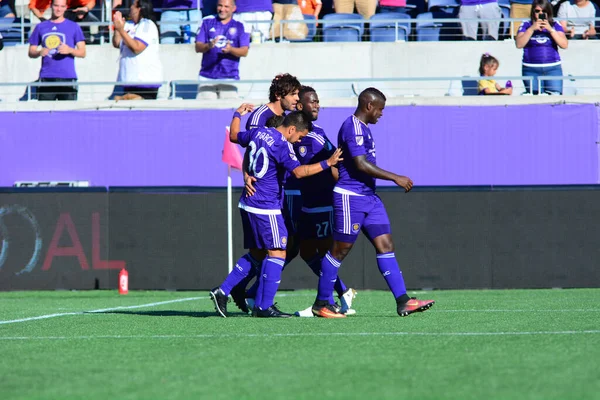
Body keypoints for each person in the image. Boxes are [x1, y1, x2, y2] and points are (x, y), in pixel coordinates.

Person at [312, 88, 435, 319]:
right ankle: (322, 303)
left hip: (370, 198)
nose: (381, 114)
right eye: (380, 109)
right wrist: (395, 177)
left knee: (386, 245)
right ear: (369, 106)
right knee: (340, 250)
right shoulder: (352, 126)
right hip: (351, 197)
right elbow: (359, 163)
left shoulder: (365, 128)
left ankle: (403, 301)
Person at [209, 107, 343, 318]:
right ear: (291, 129)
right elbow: (299, 172)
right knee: (279, 251)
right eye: (300, 136)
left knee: (257, 253)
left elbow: (234, 136)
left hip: (247, 201)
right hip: (266, 206)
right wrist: (328, 163)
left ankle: (223, 292)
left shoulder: (258, 131)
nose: (299, 141)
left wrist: (237, 114)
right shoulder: (283, 145)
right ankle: (264, 306)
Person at [293, 86, 357, 317]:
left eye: (318, 101)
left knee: (325, 251)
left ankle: (326, 302)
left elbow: (333, 161)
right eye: (312, 101)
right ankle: (342, 291)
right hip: (307, 202)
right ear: (300, 106)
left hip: (323, 201)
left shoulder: (317, 132)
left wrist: (338, 176)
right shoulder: (299, 134)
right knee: (307, 252)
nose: (317, 105)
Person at [28, 0, 86, 101]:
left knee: (68, 114)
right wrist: (39, 52)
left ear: (66, 7)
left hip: (68, 78)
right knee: (45, 114)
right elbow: (31, 51)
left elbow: (82, 52)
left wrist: (70, 50)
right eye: (56, 6)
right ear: (51, 5)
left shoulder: (74, 26)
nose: (58, 9)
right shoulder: (41, 27)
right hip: (47, 77)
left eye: (62, 6)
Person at [195, 0, 249, 100]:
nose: (222, 9)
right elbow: (198, 47)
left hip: (229, 77)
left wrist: (231, 50)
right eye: (220, 6)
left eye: (226, 7)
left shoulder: (240, 25)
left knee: (229, 111)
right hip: (207, 77)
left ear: (233, 8)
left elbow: (244, 51)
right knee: (204, 110)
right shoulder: (207, 21)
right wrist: (209, 46)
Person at [112, 0, 163, 100]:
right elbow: (117, 43)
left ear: (139, 9)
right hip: (129, 79)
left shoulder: (147, 25)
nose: (130, 7)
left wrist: (121, 30)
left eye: (132, 5)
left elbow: (137, 47)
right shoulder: (129, 25)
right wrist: (118, 28)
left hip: (145, 81)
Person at [515, 0, 568, 95]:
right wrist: (531, 29)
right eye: (537, 11)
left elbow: (564, 44)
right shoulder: (526, 24)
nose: (540, 14)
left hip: (552, 69)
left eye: (544, 11)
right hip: (531, 69)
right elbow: (519, 44)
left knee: (555, 98)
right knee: (534, 100)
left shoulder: (555, 24)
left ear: (549, 12)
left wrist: (550, 30)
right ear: (533, 12)